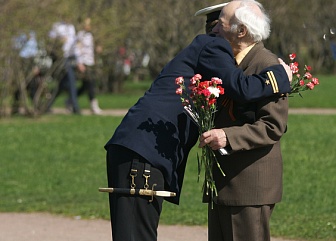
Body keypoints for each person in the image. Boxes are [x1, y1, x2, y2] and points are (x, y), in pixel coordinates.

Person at [103, 19, 292, 241]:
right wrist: (280, 76)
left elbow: (269, 122)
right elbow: (242, 87)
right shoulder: (214, 45)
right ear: (218, 28)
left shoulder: (239, 58)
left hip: (141, 149)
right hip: (143, 151)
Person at [198, 1, 289, 240]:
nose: (214, 30)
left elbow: (273, 126)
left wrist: (227, 137)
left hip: (250, 185)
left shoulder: (266, 64)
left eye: (221, 24)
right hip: (223, 184)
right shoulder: (228, 63)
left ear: (241, 31)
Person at [46, 19, 80, 114]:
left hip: (70, 57)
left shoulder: (71, 27)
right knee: (71, 81)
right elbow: (50, 39)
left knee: (62, 84)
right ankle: (75, 107)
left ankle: (47, 105)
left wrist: (77, 59)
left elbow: (74, 44)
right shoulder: (57, 26)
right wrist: (59, 40)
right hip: (61, 58)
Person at [74, 18, 102, 114]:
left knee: (86, 85)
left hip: (91, 62)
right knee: (90, 83)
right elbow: (77, 49)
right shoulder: (80, 35)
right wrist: (80, 63)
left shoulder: (91, 35)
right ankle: (93, 105)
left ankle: (71, 99)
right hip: (84, 63)